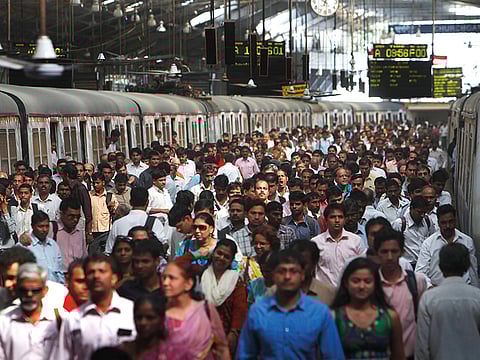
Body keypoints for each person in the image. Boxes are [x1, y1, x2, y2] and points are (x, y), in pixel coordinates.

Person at [237, 249, 345, 359]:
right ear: (273, 275)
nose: (287, 276)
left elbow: (333, 356)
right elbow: (245, 355)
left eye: (293, 271)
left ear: (302, 275)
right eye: (282, 271)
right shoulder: (258, 311)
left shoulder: (319, 312)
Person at [53, 255, 136, 359]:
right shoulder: (73, 319)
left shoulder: (132, 311)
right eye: (91, 272)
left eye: (102, 271)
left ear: (114, 278)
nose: (96, 276)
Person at [330, 257, 405, 360]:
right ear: (346, 283)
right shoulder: (334, 317)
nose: (362, 286)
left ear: (375, 284)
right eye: (356, 281)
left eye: (367, 281)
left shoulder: (390, 317)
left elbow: (399, 356)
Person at [415, 243, 480, 360]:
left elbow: (422, 346)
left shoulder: (429, 299)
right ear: (466, 266)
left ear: (441, 266)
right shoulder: (477, 297)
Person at [374, 228, 428, 359]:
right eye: (384, 252)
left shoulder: (416, 281)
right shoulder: (371, 284)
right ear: (376, 253)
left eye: (394, 251)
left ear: (402, 252)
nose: (390, 257)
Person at [162, 259, 230, 359]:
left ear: (188, 284)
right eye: (164, 278)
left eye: (172, 278)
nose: (166, 283)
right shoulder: (160, 313)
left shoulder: (205, 310)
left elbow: (222, 348)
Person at [0, 263, 65, 359]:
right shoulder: (4, 321)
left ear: (44, 291)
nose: (29, 295)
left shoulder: (62, 318)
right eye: (24, 290)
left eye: (35, 290)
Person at [201, 239, 248, 356]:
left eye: (226, 256)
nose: (221, 258)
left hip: (226, 337)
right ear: (213, 253)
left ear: (231, 261)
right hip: (200, 336)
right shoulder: (200, 275)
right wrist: (198, 253)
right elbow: (179, 265)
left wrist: (233, 333)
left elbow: (240, 310)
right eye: (219, 253)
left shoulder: (236, 281)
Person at [416, 204, 478, 287]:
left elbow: (473, 272)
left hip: (463, 289)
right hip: (437, 291)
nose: (448, 226)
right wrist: (430, 287)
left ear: (455, 220)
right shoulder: (428, 244)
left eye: (451, 221)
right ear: (438, 223)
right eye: (444, 223)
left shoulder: (467, 241)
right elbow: (420, 273)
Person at [312, 203, 365, 287]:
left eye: (340, 217)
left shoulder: (356, 241)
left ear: (344, 219)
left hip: (349, 293)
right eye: (333, 217)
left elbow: (363, 268)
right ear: (326, 220)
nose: (337, 220)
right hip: (324, 294)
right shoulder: (316, 243)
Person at [118, 294, 185, 359]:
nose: (143, 323)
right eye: (139, 317)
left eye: (150, 318)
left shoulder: (174, 353)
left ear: (162, 319)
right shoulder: (123, 350)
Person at [106, 187, 165, 255]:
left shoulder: (117, 224)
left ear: (130, 202)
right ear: (147, 202)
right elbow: (163, 245)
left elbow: (109, 250)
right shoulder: (155, 222)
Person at [20, 210, 64, 284]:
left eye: (47, 226)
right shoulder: (25, 246)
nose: (44, 230)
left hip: (54, 289)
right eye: (40, 226)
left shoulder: (53, 245)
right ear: (32, 226)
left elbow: (59, 271)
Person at [392, 196, 435, 268]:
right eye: (419, 212)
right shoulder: (400, 224)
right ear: (411, 209)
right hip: (407, 265)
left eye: (424, 212)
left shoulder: (427, 221)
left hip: (425, 264)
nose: (422, 215)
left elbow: (433, 239)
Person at [290, 240, 336, 305]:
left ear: (314, 264)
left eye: (303, 264)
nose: (298, 268)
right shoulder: (275, 292)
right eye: (294, 262)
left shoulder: (328, 293)